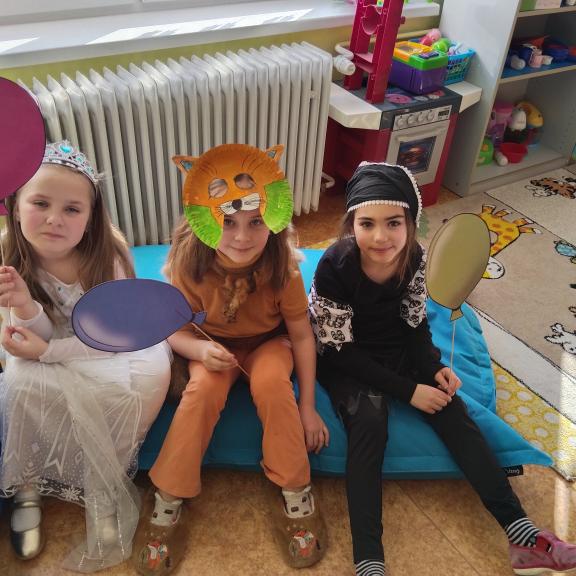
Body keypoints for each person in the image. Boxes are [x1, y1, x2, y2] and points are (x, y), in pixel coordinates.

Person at [308, 161, 576, 576]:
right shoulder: (335, 265)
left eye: (393, 223)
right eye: (367, 224)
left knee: (453, 409)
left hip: (395, 349)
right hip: (347, 359)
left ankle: (522, 535)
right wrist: (409, 391)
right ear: (351, 225)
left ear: (411, 223)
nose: (380, 237)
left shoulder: (414, 256)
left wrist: (432, 368)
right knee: (369, 422)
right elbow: (339, 351)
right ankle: (369, 561)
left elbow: (415, 324)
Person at [133, 143, 329, 576]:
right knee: (201, 389)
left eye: (256, 221)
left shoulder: (283, 266)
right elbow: (173, 329)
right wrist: (200, 350)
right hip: (212, 345)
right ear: (206, 219)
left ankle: (295, 489)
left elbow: (301, 334)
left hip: (268, 344)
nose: (242, 237)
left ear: (272, 219)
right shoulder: (189, 264)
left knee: (273, 384)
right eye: (228, 222)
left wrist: (308, 406)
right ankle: (168, 497)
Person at [0, 141, 172, 572]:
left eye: (72, 209)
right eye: (40, 203)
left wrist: (49, 351)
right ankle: (27, 486)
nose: (54, 219)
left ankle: (102, 485)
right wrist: (23, 304)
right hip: (49, 347)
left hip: (108, 347)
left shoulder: (108, 256)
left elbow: (116, 339)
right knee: (17, 380)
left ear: (91, 217)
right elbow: (28, 340)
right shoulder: (9, 254)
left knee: (146, 378)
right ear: (16, 207)